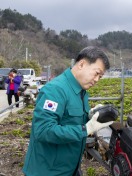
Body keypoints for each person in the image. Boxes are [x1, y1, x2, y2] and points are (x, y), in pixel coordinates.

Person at [22, 46, 114, 176]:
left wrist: (91, 116)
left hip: (70, 167)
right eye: (97, 73)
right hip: (47, 170)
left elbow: (70, 120)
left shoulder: (81, 91)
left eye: (101, 76)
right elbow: (43, 130)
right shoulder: (55, 90)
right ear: (82, 64)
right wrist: (85, 129)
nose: (97, 79)